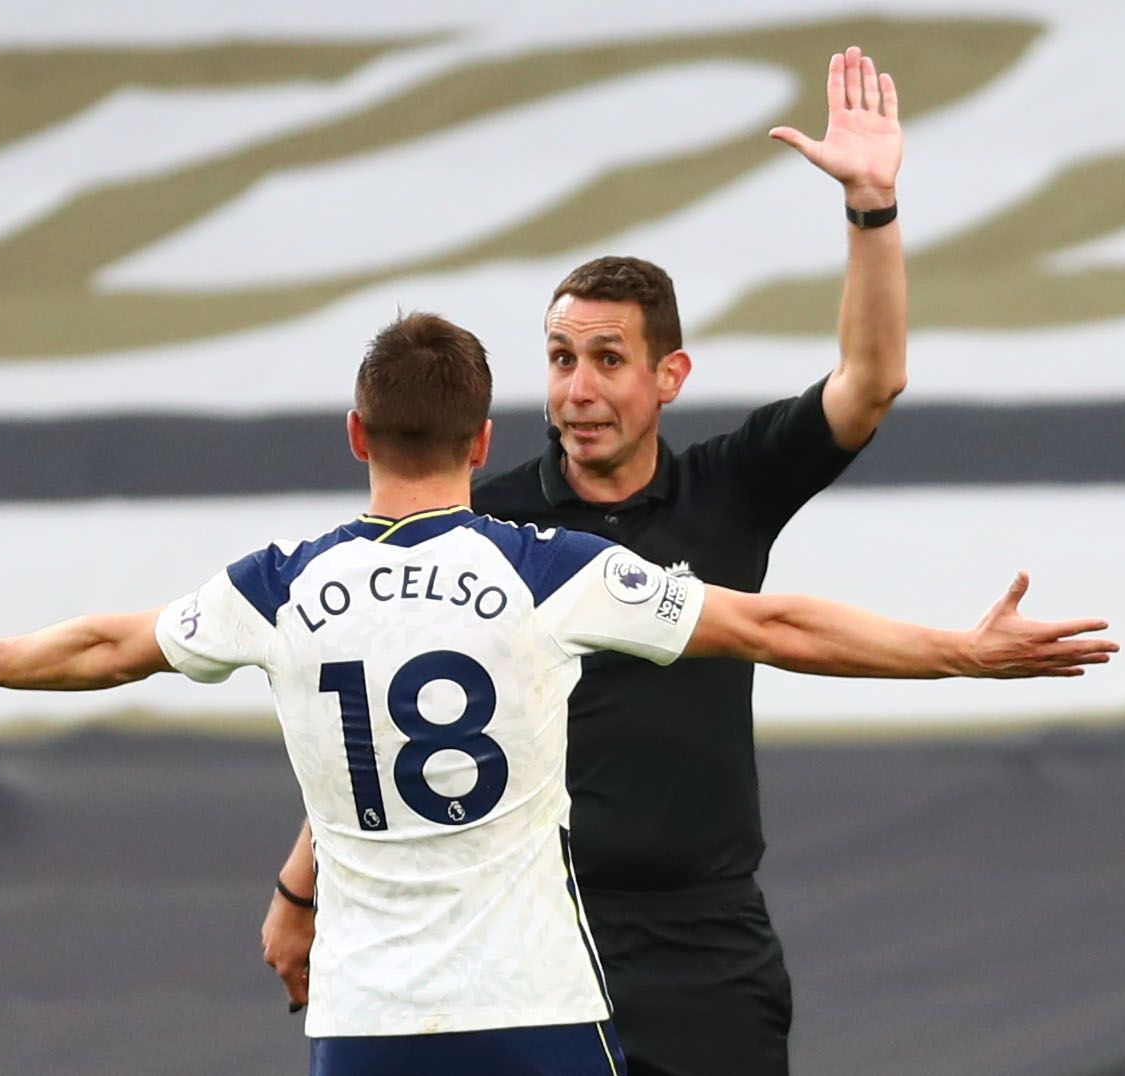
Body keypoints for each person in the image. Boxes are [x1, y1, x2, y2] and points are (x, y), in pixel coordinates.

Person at [0, 311, 1114, 1074]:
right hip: (532, 1008)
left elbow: (113, 642)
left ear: (354, 433)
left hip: (366, 1017)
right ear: (479, 443)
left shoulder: (278, 583)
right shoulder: (541, 567)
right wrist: (959, 649)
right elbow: (769, 623)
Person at [263, 45, 919, 1076]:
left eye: (608, 359)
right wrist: (300, 887)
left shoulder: (729, 487)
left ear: (669, 374)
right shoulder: (486, 521)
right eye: (561, 358)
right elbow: (379, 701)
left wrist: (870, 207)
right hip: (525, 934)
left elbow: (869, 380)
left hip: (703, 943)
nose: (577, 389)